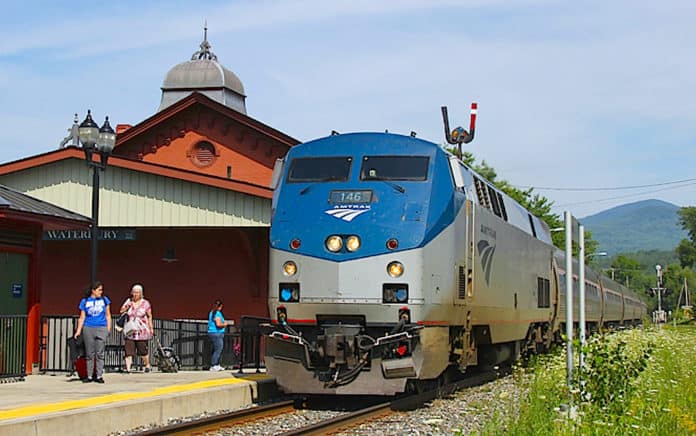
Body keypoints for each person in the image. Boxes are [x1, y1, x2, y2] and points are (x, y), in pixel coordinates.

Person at [74, 281, 111, 383]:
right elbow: (82, 317)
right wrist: (78, 331)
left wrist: (108, 328)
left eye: (101, 290)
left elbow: (108, 315)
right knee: (89, 353)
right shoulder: (85, 301)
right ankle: (89, 375)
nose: (101, 292)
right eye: (99, 290)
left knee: (100, 353)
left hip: (101, 327)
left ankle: (99, 375)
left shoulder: (104, 300)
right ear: (93, 291)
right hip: (88, 327)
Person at [119, 284, 154, 373]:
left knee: (143, 350)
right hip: (130, 329)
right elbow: (121, 311)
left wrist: (151, 328)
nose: (135, 294)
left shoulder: (146, 303)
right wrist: (127, 307)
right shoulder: (129, 301)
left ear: (141, 293)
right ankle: (128, 368)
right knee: (128, 350)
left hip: (141, 330)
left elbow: (149, 316)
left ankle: (147, 365)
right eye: (134, 292)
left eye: (137, 292)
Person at [208, 299, 229, 371]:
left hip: (212, 332)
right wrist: (225, 324)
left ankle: (217, 364)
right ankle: (214, 365)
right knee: (218, 349)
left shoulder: (211, 312)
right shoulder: (217, 313)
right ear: (220, 306)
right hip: (217, 333)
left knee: (215, 349)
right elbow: (218, 324)